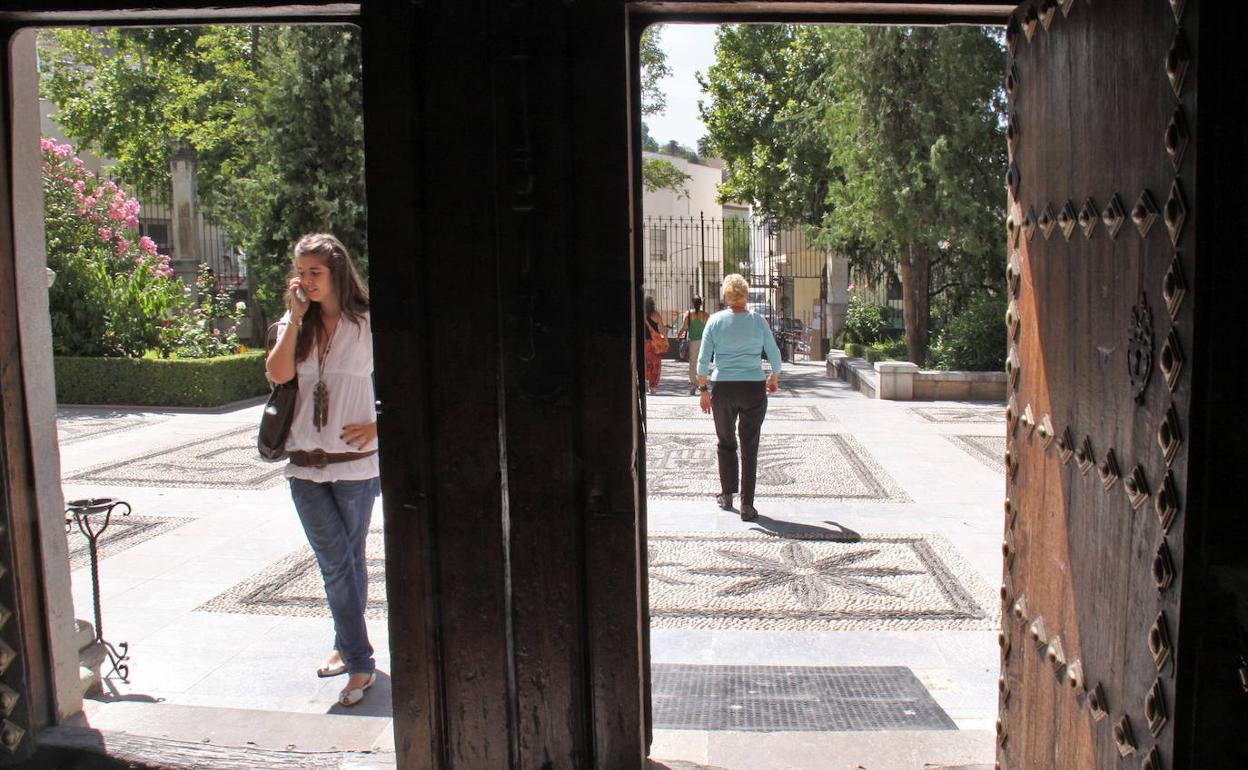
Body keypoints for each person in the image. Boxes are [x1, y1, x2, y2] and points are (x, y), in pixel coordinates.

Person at [264, 233, 380, 708]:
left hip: (355, 466)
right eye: (301, 272)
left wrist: (378, 427)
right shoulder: (293, 325)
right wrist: (295, 318)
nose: (307, 281)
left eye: (316, 272)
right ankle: (359, 660)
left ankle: (345, 647)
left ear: (337, 273)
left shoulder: (368, 323)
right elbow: (278, 375)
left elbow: (407, 383)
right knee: (337, 562)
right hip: (304, 467)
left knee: (347, 560)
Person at [696, 274, 782, 521]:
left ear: (725, 295)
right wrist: (773, 377)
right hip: (753, 386)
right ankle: (747, 505)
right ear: (746, 295)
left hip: (723, 388)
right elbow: (774, 355)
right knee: (749, 446)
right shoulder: (758, 321)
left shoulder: (715, 321)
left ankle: (726, 494)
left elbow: (703, 361)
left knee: (725, 441)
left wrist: (703, 390)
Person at [676, 297, 710, 396]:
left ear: (692, 303)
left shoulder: (689, 314)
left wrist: (678, 336)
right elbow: (709, 329)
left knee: (693, 363)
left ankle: (694, 384)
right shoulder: (705, 315)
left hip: (693, 341)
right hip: (703, 341)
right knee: (702, 362)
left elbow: (683, 327)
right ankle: (701, 383)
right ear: (701, 304)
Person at [643, 297, 666, 395]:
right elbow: (662, 329)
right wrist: (665, 339)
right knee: (656, 364)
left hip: (644, 342)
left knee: (646, 363)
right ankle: (653, 386)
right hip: (655, 343)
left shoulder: (642, 314)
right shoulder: (656, 314)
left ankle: (645, 381)